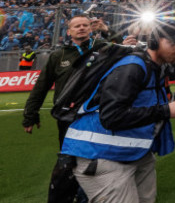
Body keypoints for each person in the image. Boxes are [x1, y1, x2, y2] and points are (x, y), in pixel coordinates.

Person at [60, 23, 175, 202]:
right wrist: (165, 110)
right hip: (100, 154)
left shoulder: (155, 66)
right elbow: (111, 116)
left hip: (132, 153)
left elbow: (174, 73)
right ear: (154, 42)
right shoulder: (132, 67)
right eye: (173, 43)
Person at [22, 15, 137, 203]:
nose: (81, 28)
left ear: (91, 29)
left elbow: (123, 48)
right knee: (70, 159)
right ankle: (71, 194)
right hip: (68, 116)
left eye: (85, 25)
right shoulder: (58, 55)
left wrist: (108, 30)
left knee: (97, 158)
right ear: (69, 31)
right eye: (77, 26)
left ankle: (90, 195)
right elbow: (41, 87)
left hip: (96, 114)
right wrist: (30, 115)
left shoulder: (102, 47)